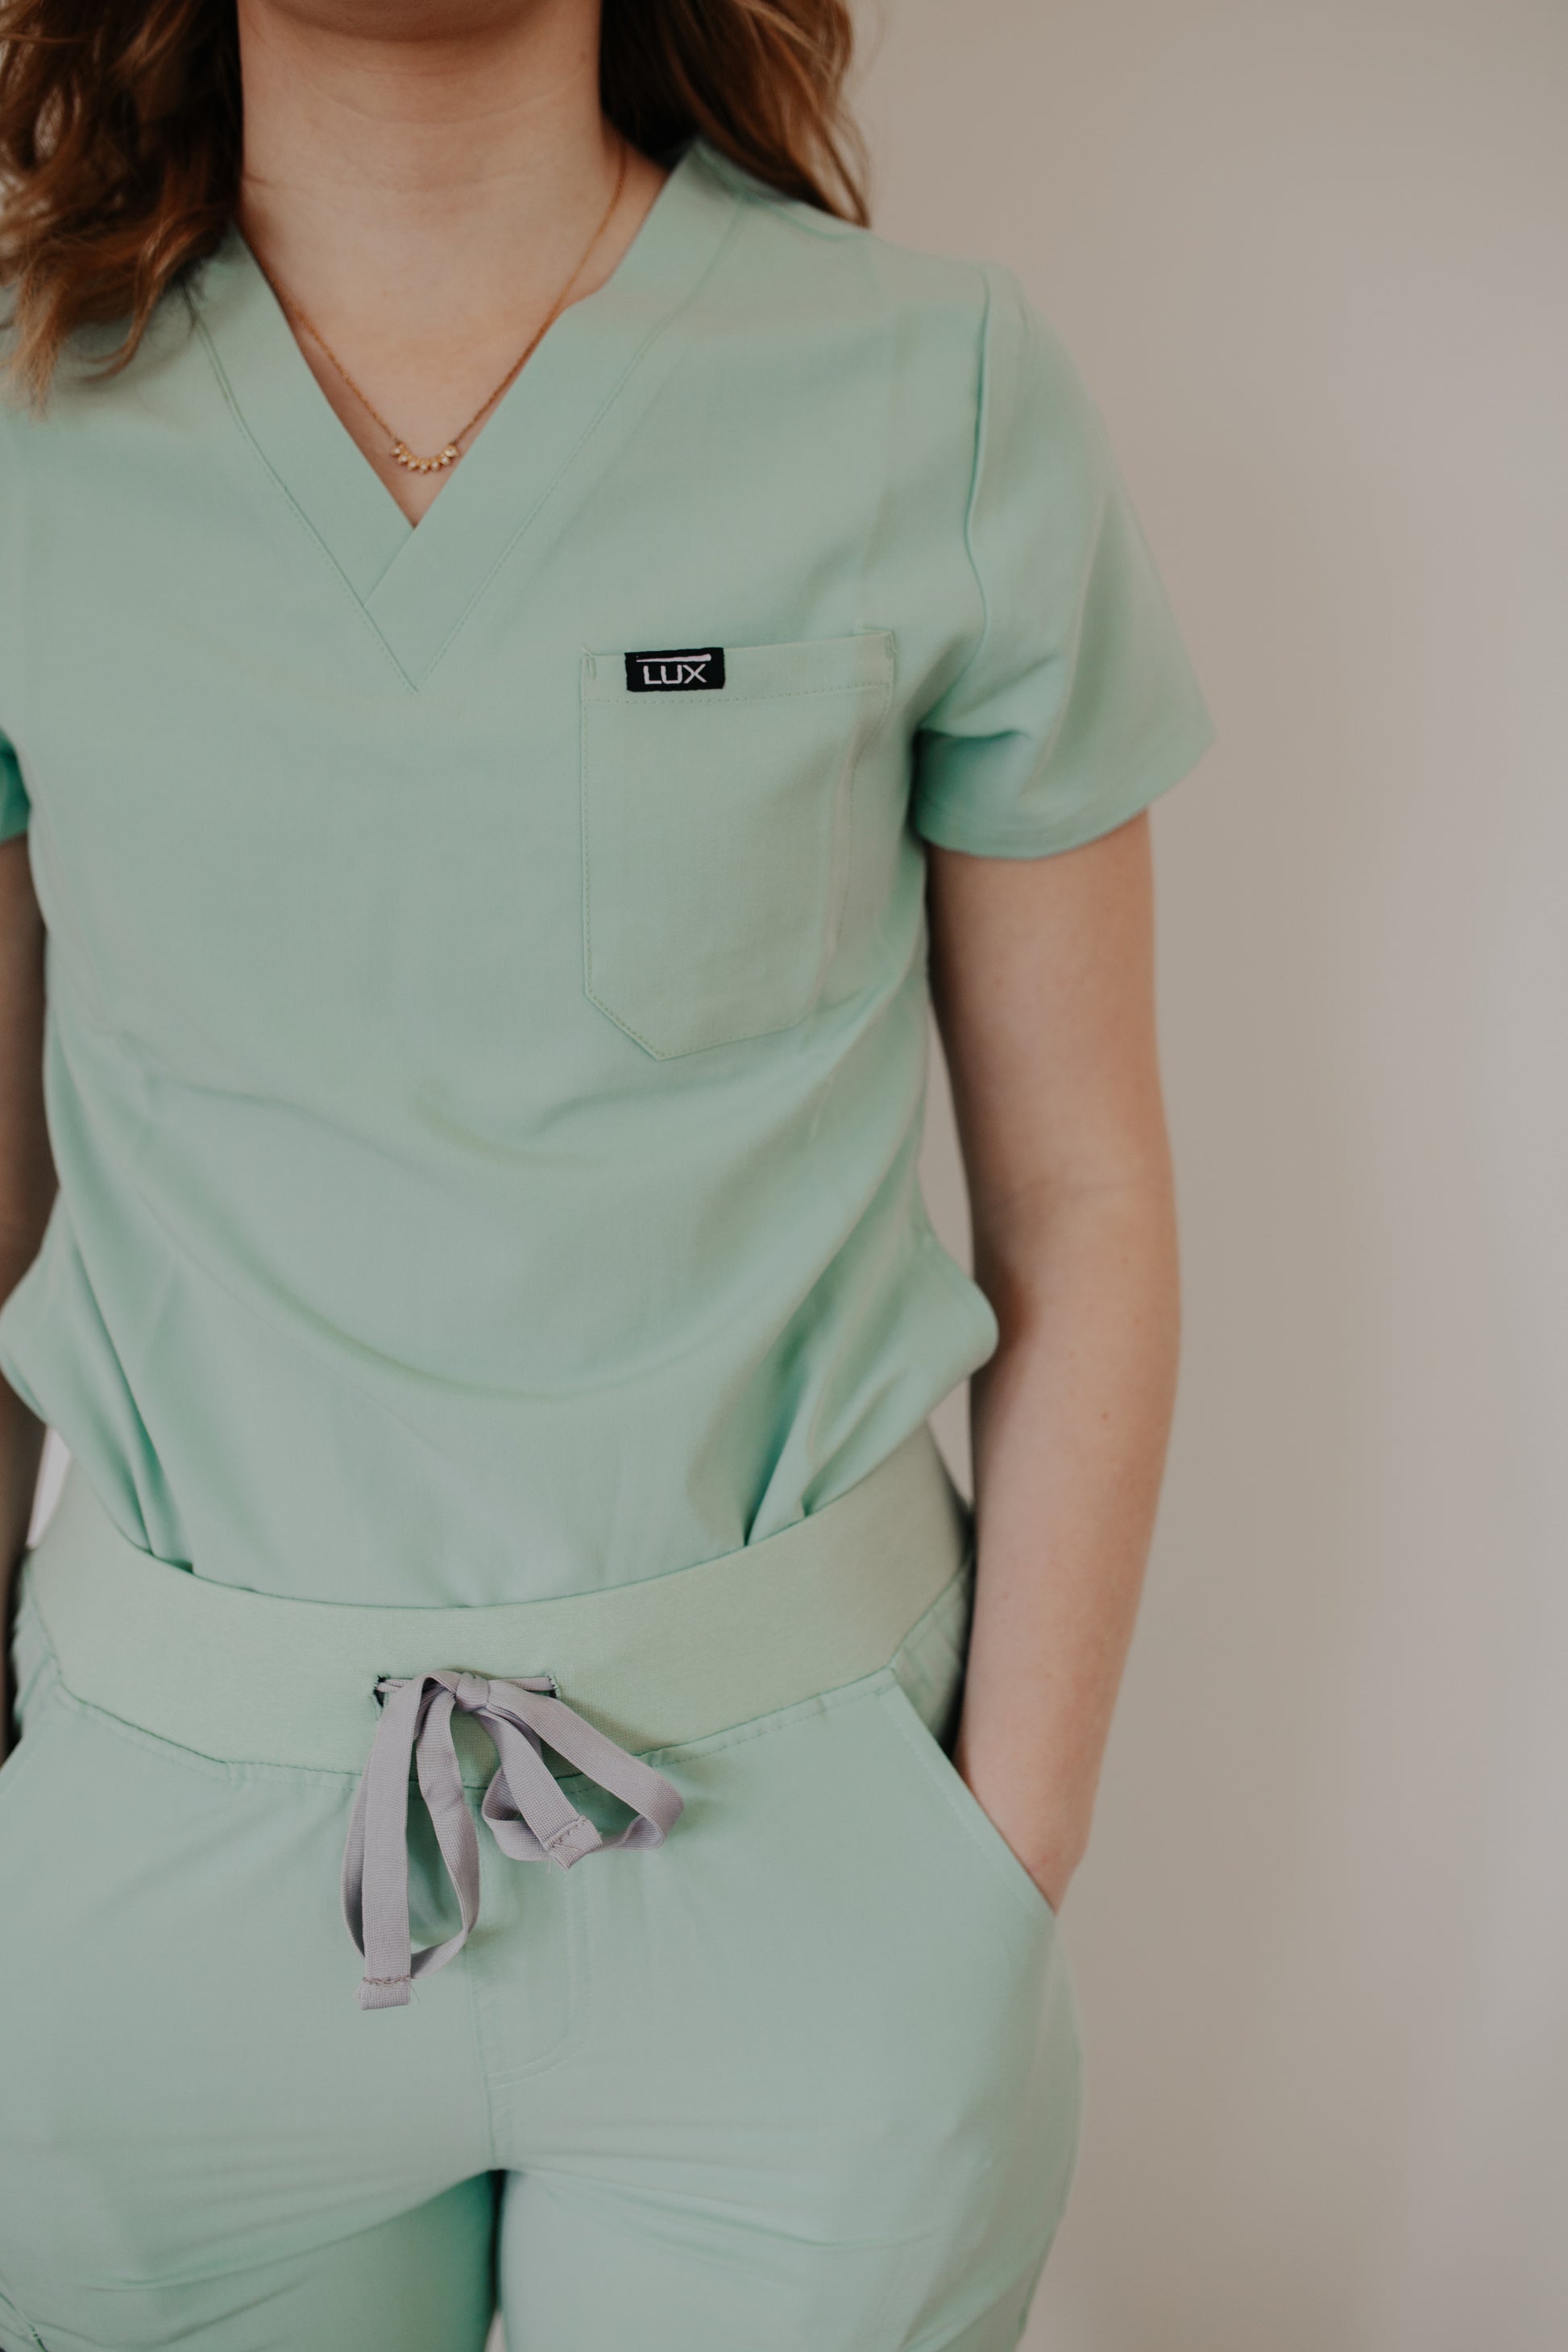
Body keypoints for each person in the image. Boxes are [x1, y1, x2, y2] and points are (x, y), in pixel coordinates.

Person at [0, 2, 1214, 2346]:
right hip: (152, 1905)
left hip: (806, 1891)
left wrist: (997, 1857)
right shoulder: (26, 421)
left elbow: (1081, 1193)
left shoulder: (933, 393)